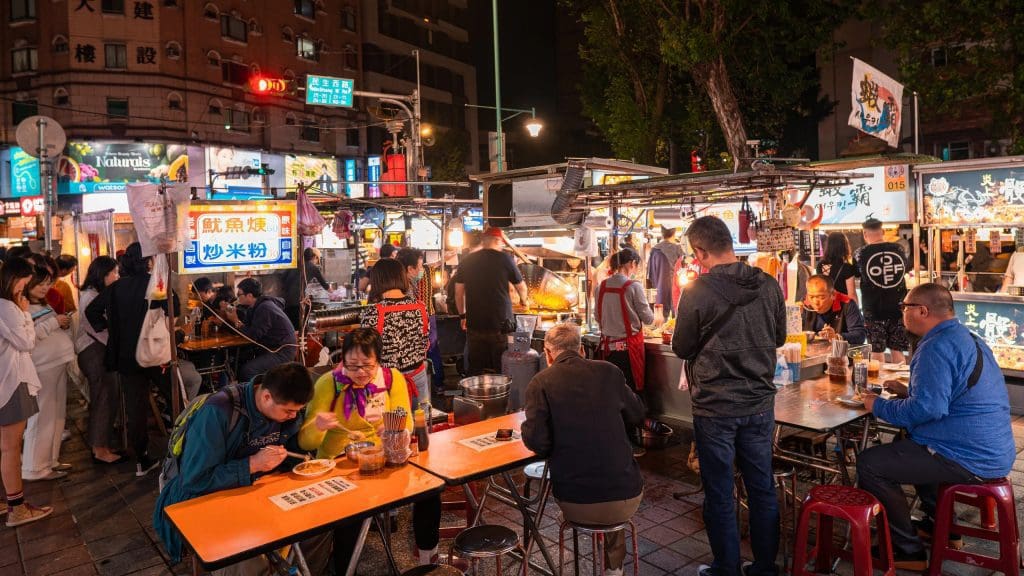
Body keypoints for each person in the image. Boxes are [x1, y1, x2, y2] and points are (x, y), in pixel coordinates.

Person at [858, 283, 1015, 570]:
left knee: (870, 463)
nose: (902, 313)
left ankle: (907, 550)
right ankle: (944, 528)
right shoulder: (966, 337)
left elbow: (927, 410)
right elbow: (949, 394)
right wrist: (909, 392)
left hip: (969, 456)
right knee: (905, 446)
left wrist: (876, 405)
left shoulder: (935, 346)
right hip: (993, 449)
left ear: (922, 310)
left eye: (904, 307)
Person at [671, 216, 786, 576]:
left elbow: (682, 347)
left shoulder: (697, 291)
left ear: (700, 251)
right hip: (759, 404)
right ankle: (765, 567)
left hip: (715, 407)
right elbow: (779, 338)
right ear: (730, 243)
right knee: (762, 489)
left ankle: (726, 567)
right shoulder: (769, 284)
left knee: (720, 493)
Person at [154, 362, 321, 571]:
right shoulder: (218, 411)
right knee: (250, 560)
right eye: (288, 411)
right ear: (266, 397)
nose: (294, 416)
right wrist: (252, 464)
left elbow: (293, 452)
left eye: (298, 411)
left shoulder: (285, 408)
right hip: (202, 501)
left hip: (256, 495)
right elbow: (195, 480)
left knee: (317, 526)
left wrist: (315, 431)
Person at [298, 328, 442, 571]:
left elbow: (406, 423)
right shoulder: (328, 383)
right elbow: (305, 443)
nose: (360, 372)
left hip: (383, 460)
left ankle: (428, 560)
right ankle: (345, 569)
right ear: (342, 359)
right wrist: (318, 426)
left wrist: (390, 426)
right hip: (340, 467)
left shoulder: (392, 379)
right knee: (350, 515)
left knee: (430, 490)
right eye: (352, 365)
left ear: (379, 361)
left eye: (367, 365)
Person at [522, 323, 645, 576]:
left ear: (547, 353)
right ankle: (614, 568)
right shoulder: (610, 372)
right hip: (628, 497)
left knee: (590, 489)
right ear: (581, 350)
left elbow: (538, 443)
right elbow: (637, 414)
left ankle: (601, 549)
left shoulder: (540, 382)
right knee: (609, 483)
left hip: (575, 501)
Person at [87, 242, 176, 476]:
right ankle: (181, 449)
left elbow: (91, 311)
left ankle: (142, 459)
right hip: (154, 354)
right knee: (174, 396)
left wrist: (109, 328)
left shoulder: (117, 287)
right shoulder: (156, 284)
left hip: (126, 357)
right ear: (149, 261)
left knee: (136, 409)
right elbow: (173, 310)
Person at [0, 257, 52, 526]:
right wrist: (25, 314)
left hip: (5, 381)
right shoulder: (9, 307)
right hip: (11, 382)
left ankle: (8, 502)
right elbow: (26, 342)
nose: (25, 286)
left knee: (5, 447)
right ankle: (17, 508)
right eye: (24, 280)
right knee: (10, 447)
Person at [596, 248, 659, 456]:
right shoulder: (633, 287)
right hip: (627, 352)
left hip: (606, 351)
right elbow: (649, 319)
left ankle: (610, 440)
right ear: (631, 263)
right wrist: (657, 317)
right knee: (630, 397)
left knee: (610, 395)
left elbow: (597, 317)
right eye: (636, 266)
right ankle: (629, 443)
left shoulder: (601, 286)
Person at [23, 254, 76, 481]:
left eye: (47, 283)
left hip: (57, 362)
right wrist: (55, 322)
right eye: (40, 284)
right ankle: (35, 467)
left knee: (56, 414)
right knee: (43, 415)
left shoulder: (42, 303)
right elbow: (29, 337)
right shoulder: (22, 307)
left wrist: (60, 324)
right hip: (42, 366)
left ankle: (50, 460)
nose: (45, 288)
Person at [454, 227, 529, 375]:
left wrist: (462, 316)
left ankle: (476, 388)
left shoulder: (467, 260)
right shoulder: (505, 259)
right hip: (500, 324)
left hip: (475, 323)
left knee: (476, 367)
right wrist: (524, 302)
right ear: (497, 240)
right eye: (501, 242)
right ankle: (501, 389)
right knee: (502, 366)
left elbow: (458, 293)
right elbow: (522, 287)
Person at [360, 259, 430, 406]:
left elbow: (366, 352)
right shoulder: (421, 307)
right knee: (421, 419)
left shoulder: (373, 313)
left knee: (389, 421)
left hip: (387, 381)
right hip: (418, 377)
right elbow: (424, 343)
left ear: (377, 280)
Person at [76, 256, 124, 464]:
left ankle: (101, 445)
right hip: (94, 352)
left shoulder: (93, 294)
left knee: (105, 396)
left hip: (96, 350)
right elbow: (98, 330)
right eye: (114, 272)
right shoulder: (90, 297)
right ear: (103, 274)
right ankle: (100, 449)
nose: (117, 276)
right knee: (104, 397)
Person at [854, 218, 909, 364]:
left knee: (876, 351)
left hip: (873, 310)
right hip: (898, 308)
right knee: (897, 350)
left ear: (865, 234)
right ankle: (900, 378)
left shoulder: (860, 253)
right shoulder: (898, 249)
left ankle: (878, 378)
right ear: (883, 231)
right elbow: (905, 269)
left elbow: (858, 274)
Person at [223, 278, 297, 382]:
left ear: (249, 295)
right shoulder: (252, 308)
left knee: (247, 371)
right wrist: (230, 318)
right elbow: (246, 329)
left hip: (281, 351)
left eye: (239, 295)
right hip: (270, 348)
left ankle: (261, 390)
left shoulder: (265, 308)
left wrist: (236, 321)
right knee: (239, 360)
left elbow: (253, 336)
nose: (237, 298)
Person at [801, 275, 867, 345]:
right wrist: (795, 317)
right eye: (811, 297)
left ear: (833, 295)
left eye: (821, 297)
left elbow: (860, 335)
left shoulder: (847, 304)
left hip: (842, 350)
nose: (815, 302)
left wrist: (836, 336)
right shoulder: (804, 304)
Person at [282, 248, 330, 329]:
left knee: (290, 325)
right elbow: (325, 285)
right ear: (314, 257)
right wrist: (334, 292)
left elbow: (283, 278)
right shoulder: (313, 267)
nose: (316, 262)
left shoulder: (296, 264)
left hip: (286, 300)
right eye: (317, 260)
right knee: (298, 327)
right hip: (297, 302)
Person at [648, 226, 685, 321]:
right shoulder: (678, 249)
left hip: (659, 290)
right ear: (674, 233)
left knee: (661, 320)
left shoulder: (654, 250)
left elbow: (650, 274)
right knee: (676, 317)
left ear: (662, 233)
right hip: (675, 287)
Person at [817, 232, 858, 302]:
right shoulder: (847, 264)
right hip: (843, 303)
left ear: (828, 245)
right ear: (845, 245)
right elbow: (851, 294)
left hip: (826, 303)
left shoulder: (821, 264)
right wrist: (855, 307)